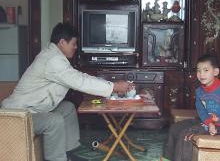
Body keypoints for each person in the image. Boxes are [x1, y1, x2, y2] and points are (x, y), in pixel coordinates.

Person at [1, 23, 133, 161]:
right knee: (54, 120)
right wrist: (114, 87)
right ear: (62, 42)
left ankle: (68, 154)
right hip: (18, 116)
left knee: (67, 108)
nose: (76, 47)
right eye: (74, 44)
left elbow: (80, 77)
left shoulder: (55, 56)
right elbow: (79, 82)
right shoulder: (52, 60)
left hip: (33, 109)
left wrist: (111, 86)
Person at [164, 54, 220, 161]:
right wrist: (209, 123)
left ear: (216, 72)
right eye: (198, 70)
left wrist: (213, 125)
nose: (201, 74)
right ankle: (167, 158)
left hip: (218, 126)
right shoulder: (199, 91)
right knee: (174, 128)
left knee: (186, 134)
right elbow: (201, 111)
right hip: (206, 122)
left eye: (206, 70)